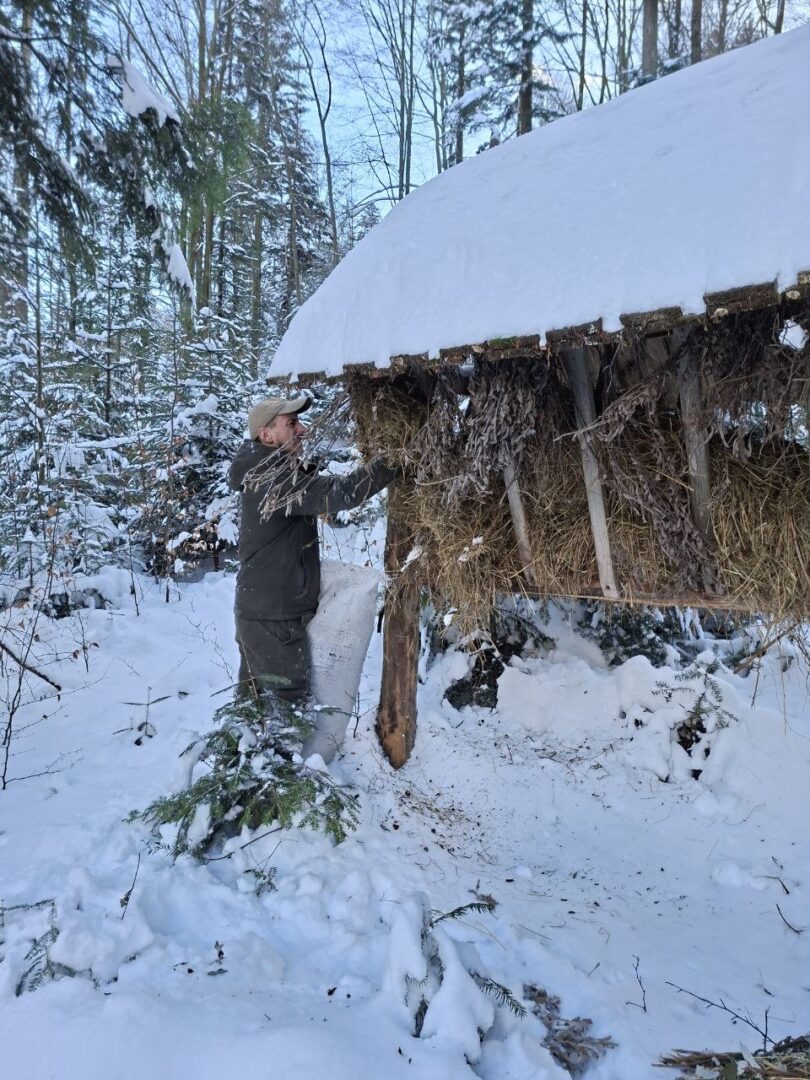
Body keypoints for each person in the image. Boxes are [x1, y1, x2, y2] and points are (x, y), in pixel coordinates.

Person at [228, 395, 397, 702]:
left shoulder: (265, 472)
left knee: (256, 707)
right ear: (266, 435)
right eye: (291, 423)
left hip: (264, 611)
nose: (303, 429)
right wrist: (396, 459)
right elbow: (342, 492)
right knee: (284, 707)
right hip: (271, 618)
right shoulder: (272, 479)